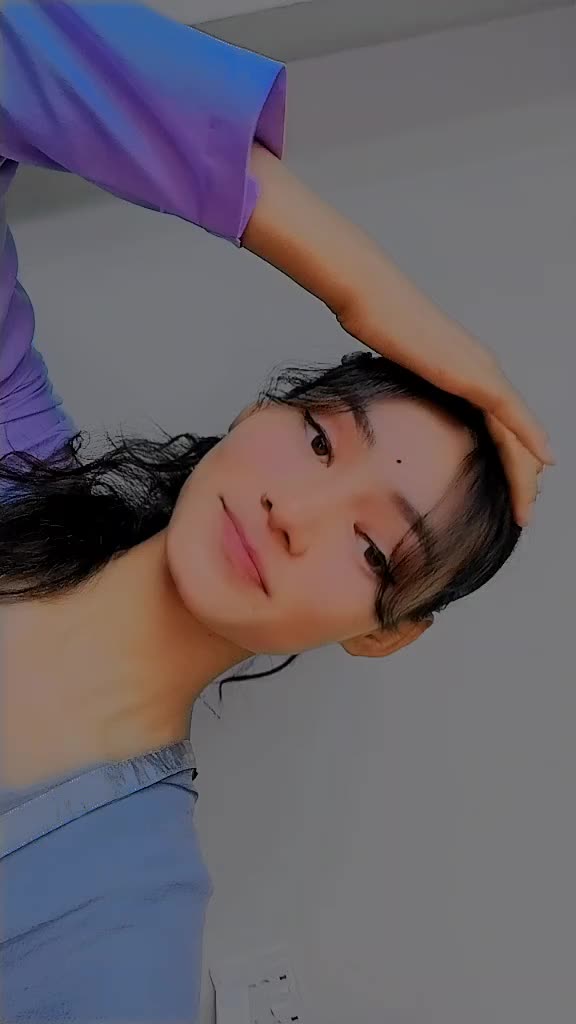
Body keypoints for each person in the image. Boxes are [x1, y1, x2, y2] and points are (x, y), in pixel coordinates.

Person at [0, 4, 554, 1023]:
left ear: (386, 633)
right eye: (319, 441)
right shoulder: (8, 439)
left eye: (373, 547)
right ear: (258, 413)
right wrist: (366, 292)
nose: (297, 511)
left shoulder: (116, 922)